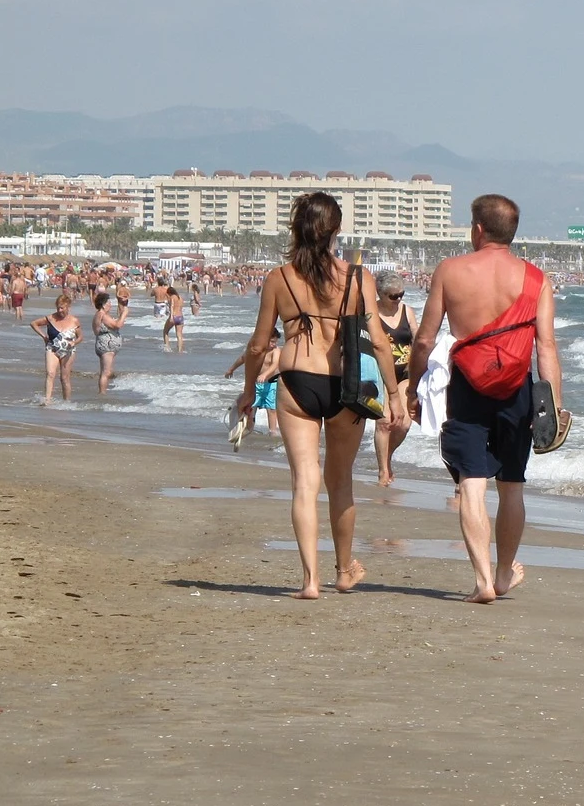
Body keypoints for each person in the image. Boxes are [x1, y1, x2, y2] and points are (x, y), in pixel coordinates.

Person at [235, 192, 406, 600]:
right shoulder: (356, 278)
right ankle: (344, 571)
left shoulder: (280, 278)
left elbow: (259, 346)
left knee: (304, 483)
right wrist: (395, 394)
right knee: (341, 481)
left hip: (297, 384)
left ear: (296, 228)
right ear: (336, 231)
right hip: (345, 387)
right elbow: (380, 342)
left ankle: (310, 581)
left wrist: (249, 393)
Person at [408, 194, 560, 604]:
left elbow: (424, 339)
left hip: (468, 390)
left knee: (471, 485)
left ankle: (481, 581)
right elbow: (546, 348)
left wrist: (412, 387)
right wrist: (552, 409)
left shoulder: (450, 271)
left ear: (477, 229)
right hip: (518, 392)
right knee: (512, 487)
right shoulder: (536, 278)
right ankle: (504, 573)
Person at [373, 270, 418, 487]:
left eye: (401, 294)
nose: (398, 299)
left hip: (405, 373)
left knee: (403, 424)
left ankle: (387, 456)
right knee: (384, 421)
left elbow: (418, 339)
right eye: (393, 296)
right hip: (380, 372)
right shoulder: (370, 312)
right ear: (380, 294)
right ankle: (383, 470)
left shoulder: (406, 311)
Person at [227, 326, 282, 437]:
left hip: (270, 384)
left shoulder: (275, 351)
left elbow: (275, 364)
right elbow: (243, 358)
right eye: (271, 342)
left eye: (275, 342)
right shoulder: (257, 351)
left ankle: (273, 431)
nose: (273, 344)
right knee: (251, 408)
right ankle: (248, 429)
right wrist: (231, 369)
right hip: (256, 384)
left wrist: (265, 374)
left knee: (271, 409)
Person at [32, 293, 85, 404]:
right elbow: (34, 324)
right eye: (58, 308)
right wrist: (44, 336)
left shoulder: (74, 321)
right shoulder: (51, 318)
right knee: (50, 373)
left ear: (68, 307)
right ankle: (47, 400)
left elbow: (80, 337)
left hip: (68, 352)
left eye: (62, 308)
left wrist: (74, 342)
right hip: (52, 349)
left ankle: (66, 402)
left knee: (64, 378)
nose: (59, 310)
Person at [92, 288, 131, 392]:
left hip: (105, 344)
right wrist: (124, 314)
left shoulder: (101, 314)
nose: (110, 304)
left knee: (105, 371)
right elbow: (117, 325)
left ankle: (103, 391)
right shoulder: (102, 314)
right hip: (106, 346)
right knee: (106, 372)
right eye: (108, 302)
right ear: (104, 304)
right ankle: (102, 393)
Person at [161, 283, 187, 350]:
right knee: (179, 335)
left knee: (165, 331)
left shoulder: (172, 297)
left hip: (174, 316)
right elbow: (181, 307)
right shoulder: (180, 298)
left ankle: (167, 347)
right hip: (180, 317)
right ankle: (180, 350)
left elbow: (172, 306)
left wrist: (171, 316)